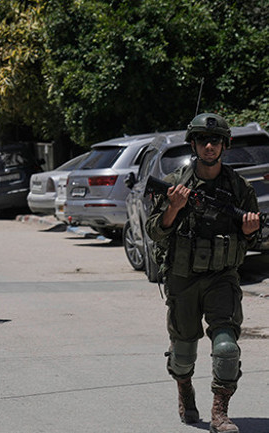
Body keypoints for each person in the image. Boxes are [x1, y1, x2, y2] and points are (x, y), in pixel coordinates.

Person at [146, 113, 260, 433]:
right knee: (183, 353)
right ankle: (185, 388)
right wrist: (174, 208)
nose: (209, 146)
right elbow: (154, 231)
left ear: (225, 145)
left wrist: (251, 230)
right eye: (202, 140)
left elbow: (255, 234)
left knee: (226, 348)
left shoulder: (239, 188)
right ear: (193, 144)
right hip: (182, 278)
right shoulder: (174, 184)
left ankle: (220, 412)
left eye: (215, 141)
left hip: (222, 276)